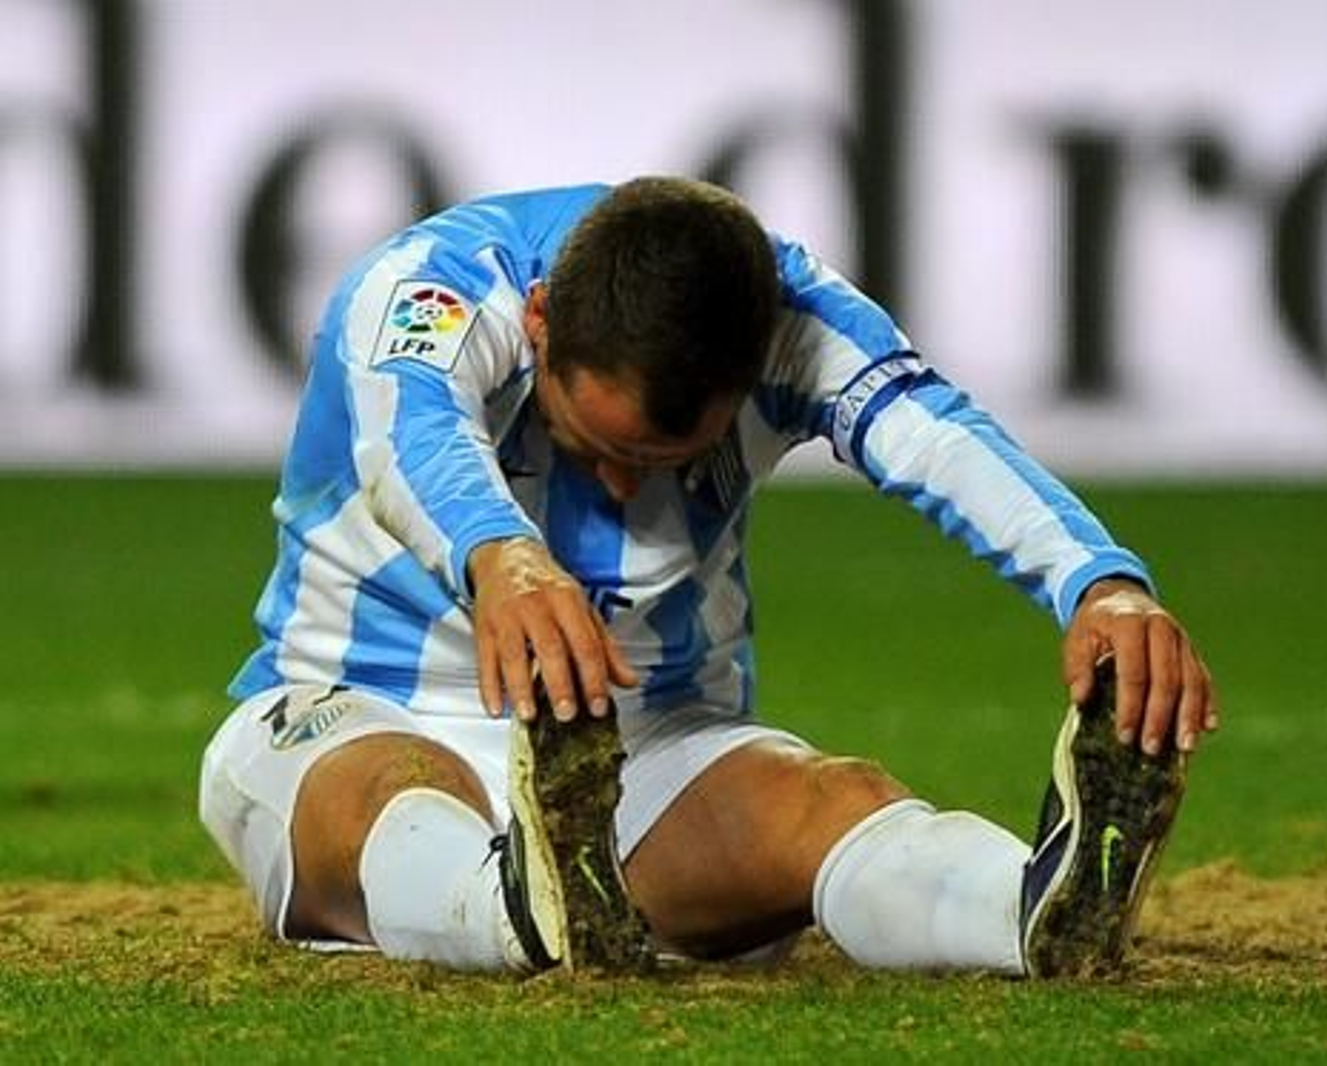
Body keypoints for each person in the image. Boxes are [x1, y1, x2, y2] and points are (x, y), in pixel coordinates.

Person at [198, 176, 1217, 978]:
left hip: (640, 742)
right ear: (541, 319)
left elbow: (936, 439)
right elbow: (403, 435)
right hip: (359, 705)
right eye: (592, 440)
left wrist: (1099, 584)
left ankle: (1034, 910)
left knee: (827, 802)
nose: (615, 481)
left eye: (659, 462)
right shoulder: (424, 290)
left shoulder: (791, 315)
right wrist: (501, 554)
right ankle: (517, 903)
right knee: (395, 793)